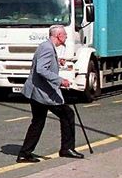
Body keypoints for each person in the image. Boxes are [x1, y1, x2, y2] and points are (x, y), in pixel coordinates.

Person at [17, 25, 83, 163]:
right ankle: (67, 149)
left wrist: (56, 62)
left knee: (38, 122)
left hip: (37, 92)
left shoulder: (46, 46)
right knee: (67, 114)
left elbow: (43, 64)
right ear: (58, 35)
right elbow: (41, 69)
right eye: (64, 34)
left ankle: (25, 153)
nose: (66, 37)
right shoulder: (47, 48)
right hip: (43, 93)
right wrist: (60, 80)